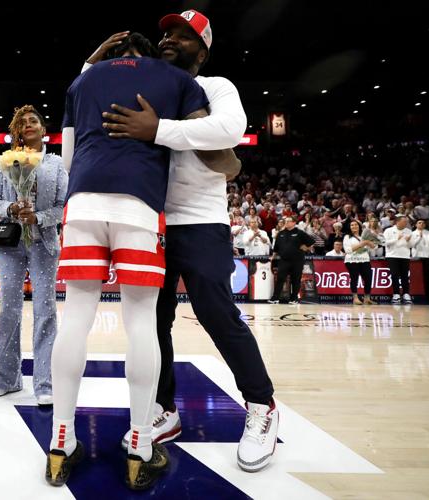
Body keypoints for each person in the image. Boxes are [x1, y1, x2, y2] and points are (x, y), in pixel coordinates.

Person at [93, 11, 277, 474]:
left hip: (199, 219)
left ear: (204, 48)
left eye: (183, 35)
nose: (170, 39)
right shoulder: (151, 83)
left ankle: (263, 406)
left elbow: (228, 134)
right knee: (152, 320)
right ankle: (163, 408)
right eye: (167, 33)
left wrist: (158, 130)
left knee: (217, 313)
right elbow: (89, 93)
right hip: (149, 217)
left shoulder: (217, 87)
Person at [49, 32, 211, 490]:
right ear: (144, 54)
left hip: (82, 206)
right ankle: (140, 445)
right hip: (139, 205)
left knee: (75, 319)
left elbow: (65, 161)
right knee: (141, 321)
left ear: (113, 55)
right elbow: (202, 141)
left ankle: (61, 441)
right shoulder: (174, 76)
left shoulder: (83, 82)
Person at [0, 106, 67, 407]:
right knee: (8, 308)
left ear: (44, 130)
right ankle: (6, 378)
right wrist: (11, 209)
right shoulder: (6, 161)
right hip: (9, 244)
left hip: (44, 243)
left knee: (45, 309)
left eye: (34, 120)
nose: (29, 124)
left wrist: (40, 218)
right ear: (17, 131)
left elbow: (62, 206)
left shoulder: (56, 164)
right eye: (23, 122)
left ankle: (45, 382)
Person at [269, 216, 315, 304]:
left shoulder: (300, 233)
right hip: (284, 260)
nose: (286, 223)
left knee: (296, 279)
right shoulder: (281, 233)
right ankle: (275, 298)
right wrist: (273, 256)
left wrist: (306, 248)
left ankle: (294, 298)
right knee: (280, 278)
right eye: (285, 221)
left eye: (288, 221)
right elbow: (276, 247)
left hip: (297, 260)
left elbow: (312, 242)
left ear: (294, 223)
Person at [383, 216, 414, 304]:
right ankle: (396, 294)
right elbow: (384, 242)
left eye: (406, 222)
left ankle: (406, 294)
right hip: (392, 256)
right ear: (397, 222)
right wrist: (396, 238)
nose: (406, 223)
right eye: (404, 222)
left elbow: (411, 245)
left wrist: (408, 241)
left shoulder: (409, 231)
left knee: (405, 275)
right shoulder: (388, 231)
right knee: (394, 275)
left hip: (405, 256)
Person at [343, 220, 375, 305]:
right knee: (354, 278)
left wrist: (371, 244)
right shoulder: (347, 237)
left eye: (356, 225)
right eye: (352, 225)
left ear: (359, 226)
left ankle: (367, 298)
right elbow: (348, 250)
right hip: (352, 260)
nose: (354, 226)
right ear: (349, 227)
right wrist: (362, 243)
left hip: (365, 259)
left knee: (368, 278)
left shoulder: (364, 236)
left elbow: (373, 248)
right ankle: (355, 298)